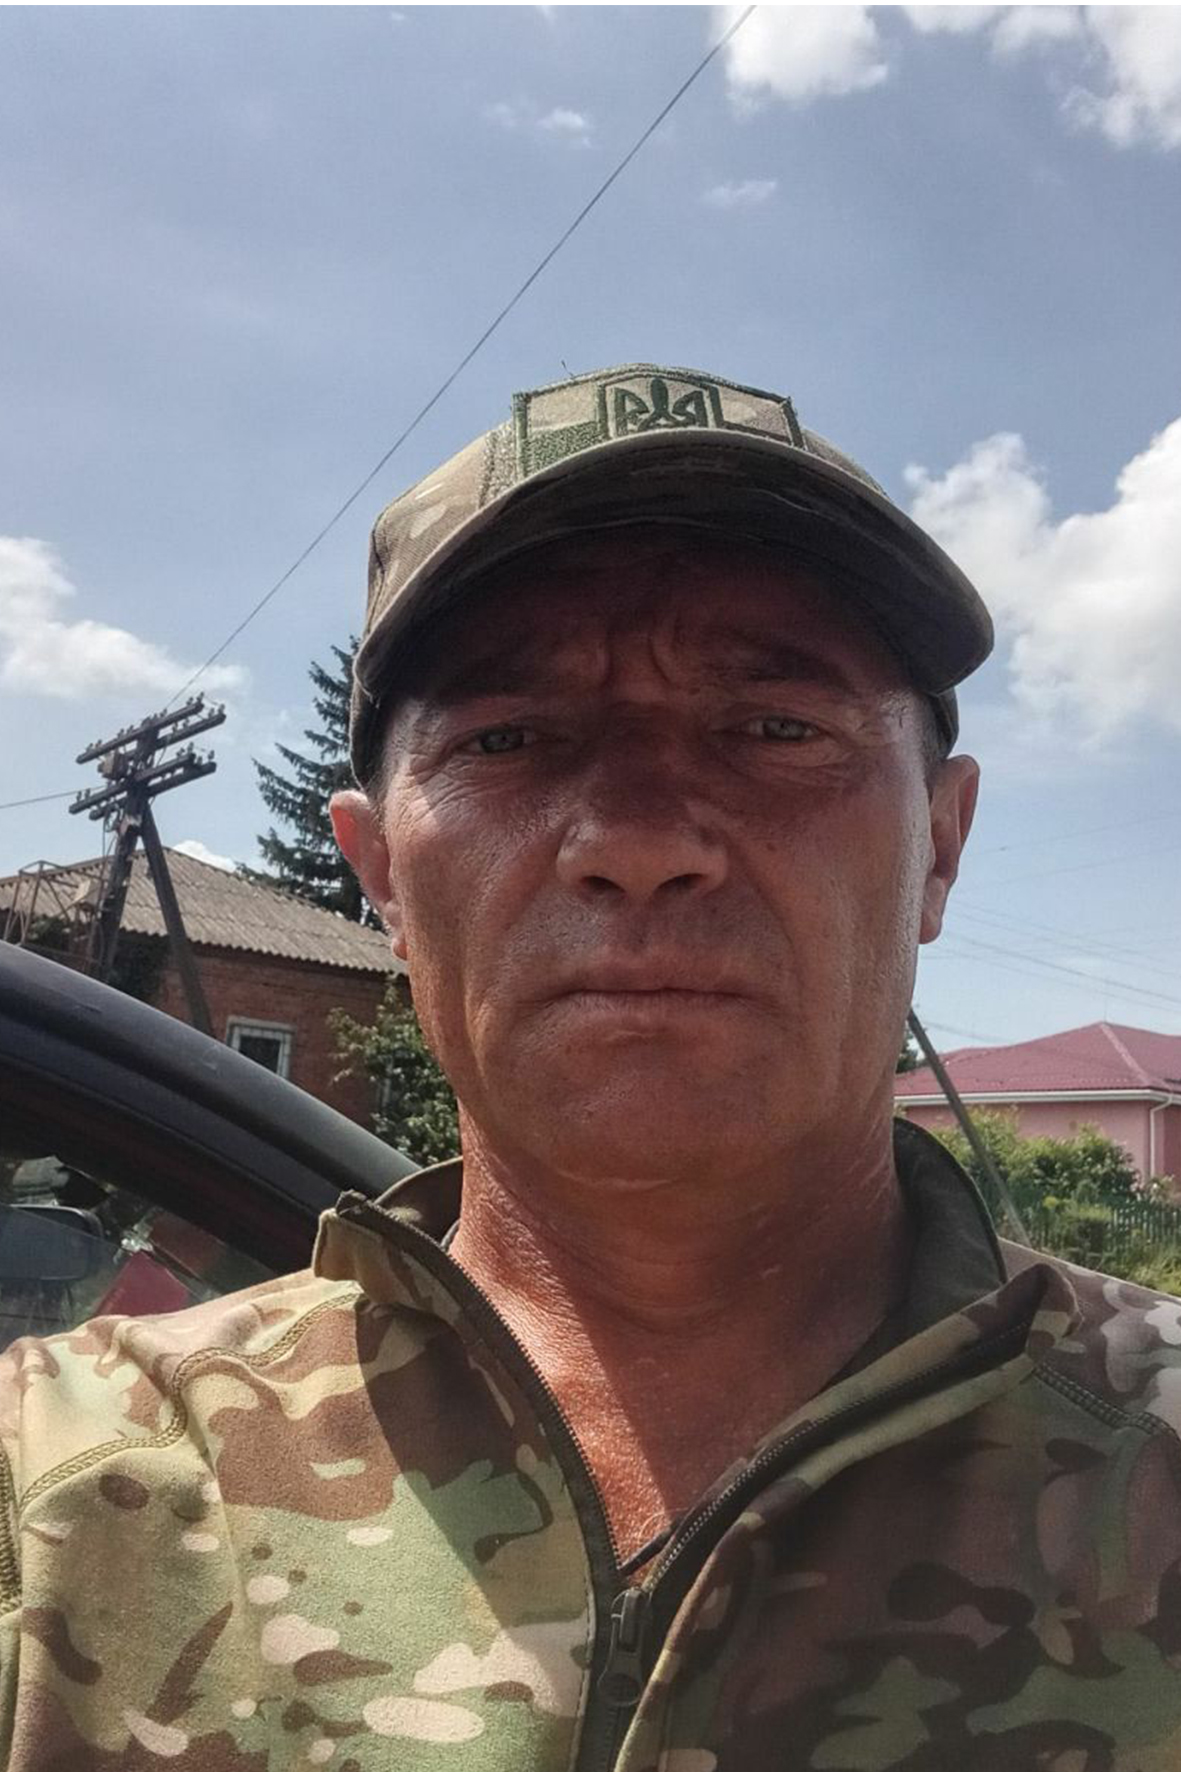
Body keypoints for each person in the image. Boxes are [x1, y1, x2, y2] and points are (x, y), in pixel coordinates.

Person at [3, 363, 1181, 1772]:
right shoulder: (60, 1492)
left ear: (941, 842)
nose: (638, 838)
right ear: (380, 873)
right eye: (508, 739)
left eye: (775, 729)